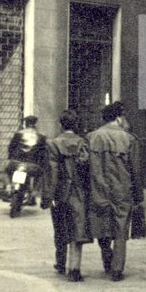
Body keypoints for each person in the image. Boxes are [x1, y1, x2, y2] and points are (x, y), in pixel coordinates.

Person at [87, 101, 143, 282]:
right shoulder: (129, 139)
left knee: (102, 225)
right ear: (119, 117)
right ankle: (117, 269)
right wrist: (138, 195)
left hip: (98, 189)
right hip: (122, 191)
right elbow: (135, 170)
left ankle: (106, 256)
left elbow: (84, 167)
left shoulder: (91, 137)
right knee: (120, 229)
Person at [43, 109, 92, 282]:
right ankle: (75, 268)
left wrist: (48, 196)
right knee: (78, 230)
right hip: (79, 193)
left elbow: (52, 171)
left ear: (61, 124)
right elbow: (88, 171)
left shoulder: (53, 144)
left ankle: (61, 263)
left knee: (60, 229)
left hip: (61, 193)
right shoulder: (82, 143)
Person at [5, 115, 48, 204]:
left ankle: (8, 186)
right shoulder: (41, 136)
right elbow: (44, 152)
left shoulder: (18, 134)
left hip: (16, 163)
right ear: (35, 124)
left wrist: (10, 158)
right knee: (41, 174)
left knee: (7, 171)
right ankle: (34, 193)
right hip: (32, 165)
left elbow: (11, 147)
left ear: (25, 123)